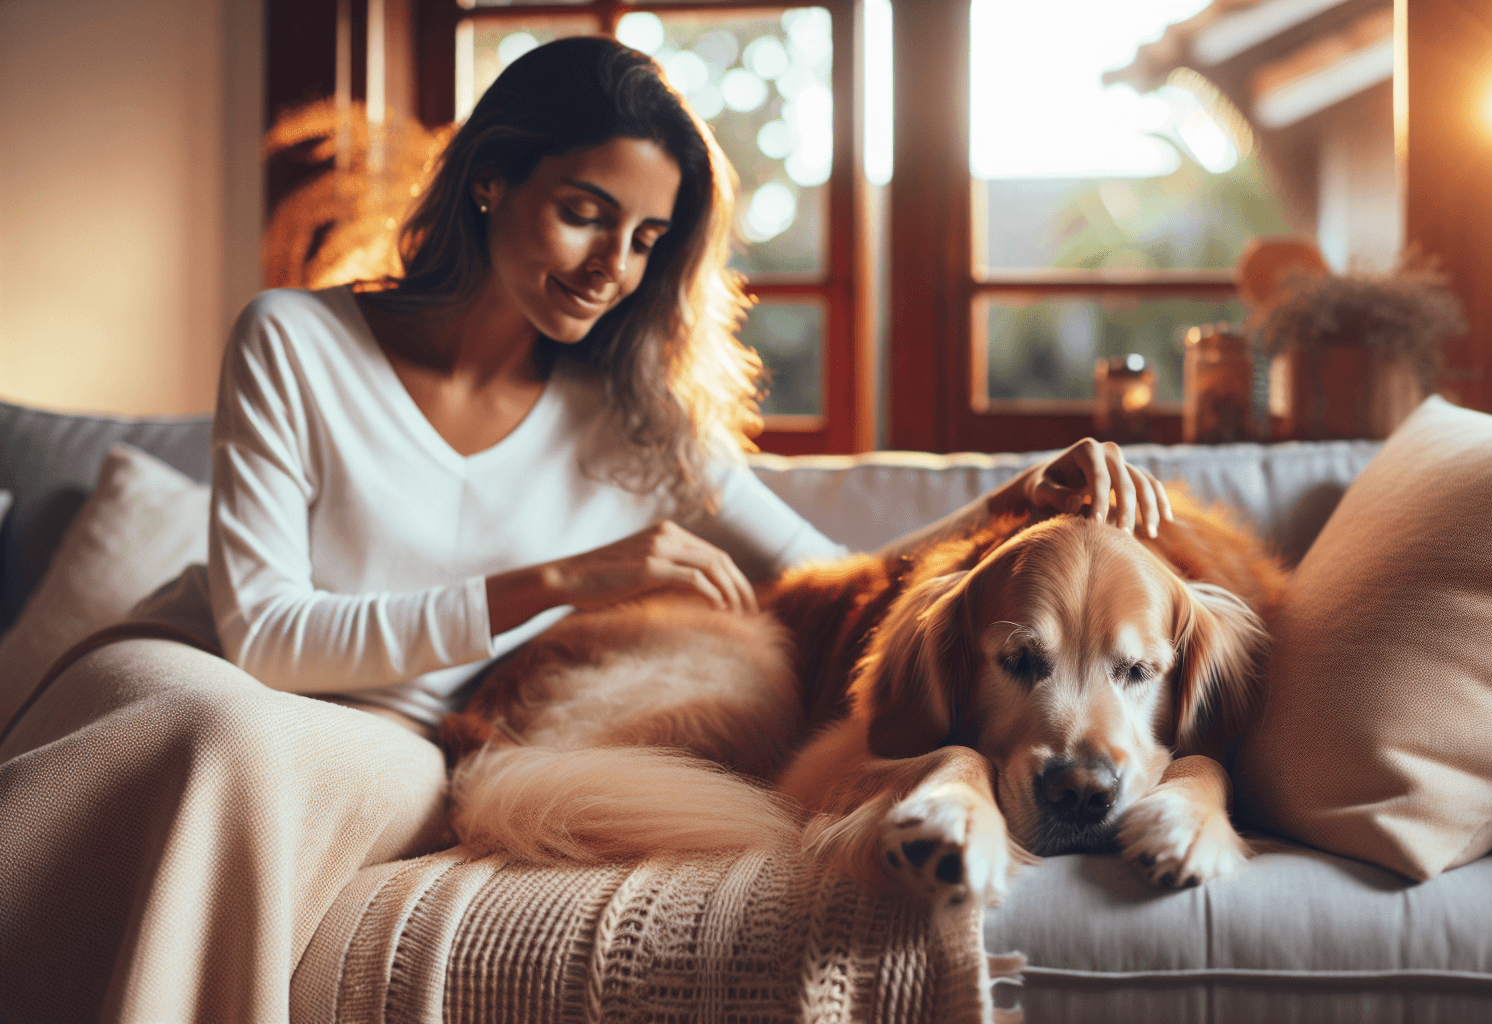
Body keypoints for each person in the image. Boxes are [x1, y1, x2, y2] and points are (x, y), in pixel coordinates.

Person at [0, 35, 1173, 1021]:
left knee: (242, 748)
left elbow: (837, 578)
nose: (614, 264)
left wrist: (1019, 503)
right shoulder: (293, 339)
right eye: (583, 213)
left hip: (383, 741)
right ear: (490, 182)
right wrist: (569, 573)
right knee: (212, 718)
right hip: (195, 665)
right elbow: (264, 640)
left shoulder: (631, 413)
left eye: (648, 238)